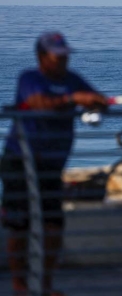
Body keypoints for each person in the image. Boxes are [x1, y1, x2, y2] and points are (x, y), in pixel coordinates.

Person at [0, 32, 108, 296]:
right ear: (42, 57)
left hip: (51, 165)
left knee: (53, 225)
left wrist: (96, 103)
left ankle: (46, 285)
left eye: (66, 56)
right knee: (20, 225)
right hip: (20, 160)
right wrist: (73, 100)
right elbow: (39, 104)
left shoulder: (73, 79)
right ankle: (19, 285)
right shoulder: (30, 78)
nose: (63, 62)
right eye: (58, 57)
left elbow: (98, 99)